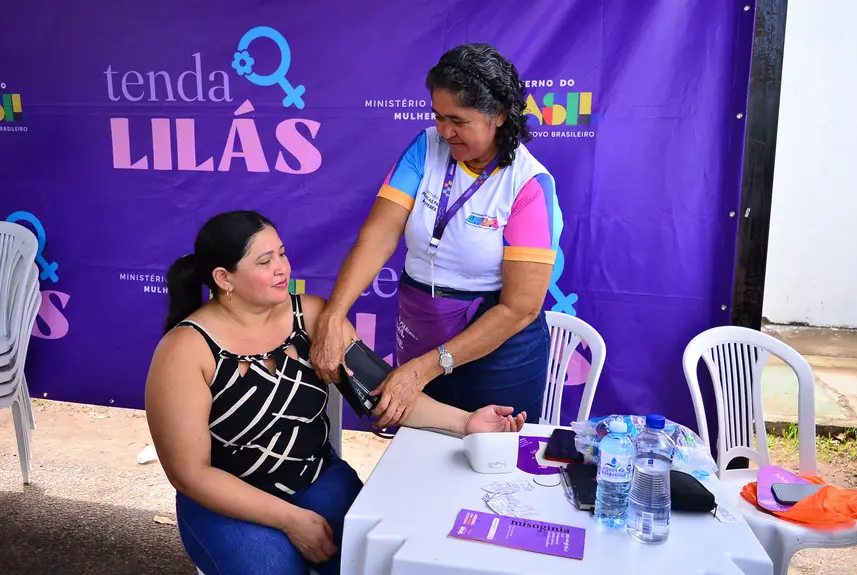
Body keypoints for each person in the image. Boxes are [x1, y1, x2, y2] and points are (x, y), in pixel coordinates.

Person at [144, 210, 526, 575]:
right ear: (224, 278)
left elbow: (380, 393)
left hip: (316, 477)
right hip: (228, 499)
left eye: (281, 253)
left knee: (383, 557)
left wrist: (466, 422)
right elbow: (190, 474)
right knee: (275, 569)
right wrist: (291, 520)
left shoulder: (312, 317)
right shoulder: (185, 349)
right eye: (264, 261)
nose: (282, 268)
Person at [311, 43, 562, 429]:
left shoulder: (529, 185)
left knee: (492, 454)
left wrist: (422, 370)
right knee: (420, 449)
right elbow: (378, 236)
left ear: (498, 114)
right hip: (423, 327)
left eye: (458, 120)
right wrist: (333, 314)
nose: (445, 132)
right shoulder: (425, 147)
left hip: (498, 349)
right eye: (438, 117)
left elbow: (520, 308)